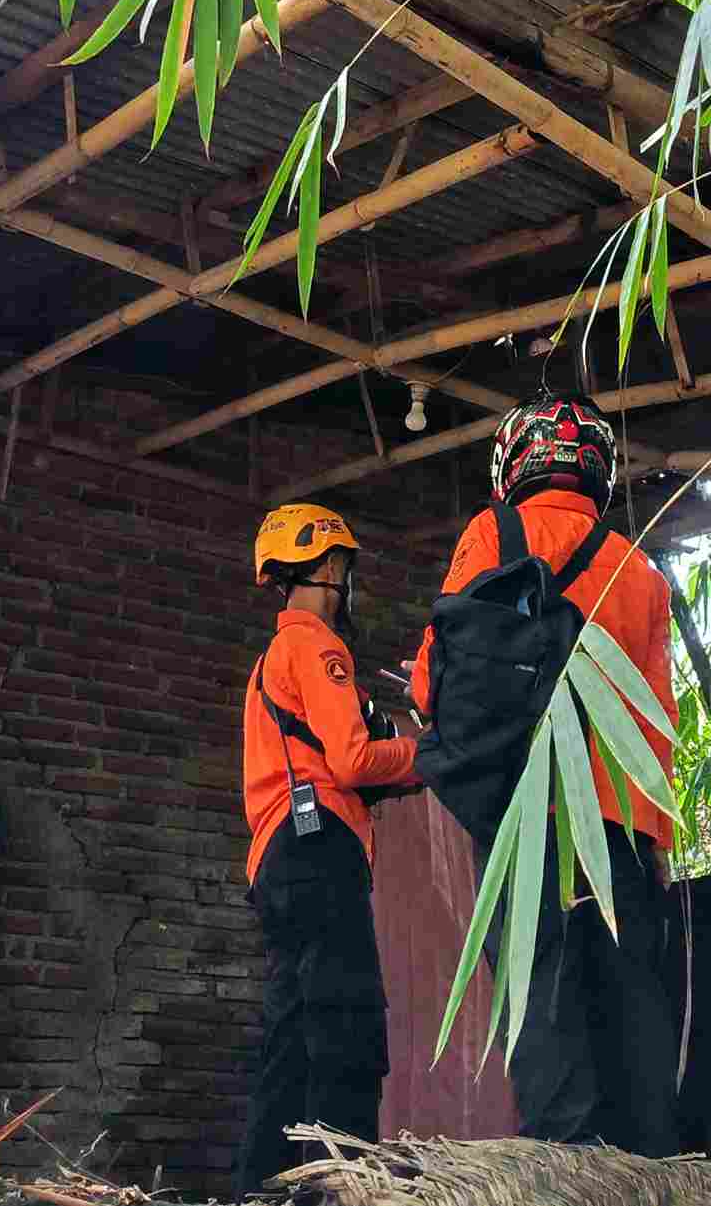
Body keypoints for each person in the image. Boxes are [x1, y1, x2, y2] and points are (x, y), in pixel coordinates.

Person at [409, 395, 680, 1155]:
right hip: (622, 827)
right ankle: (650, 1178)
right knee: (629, 1014)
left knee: (543, 1011)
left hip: (529, 815)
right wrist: (655, 837)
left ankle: (562, 1176)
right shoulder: (640, 569)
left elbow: (441, 675)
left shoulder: (493, 534)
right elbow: (658, 721)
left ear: (514, 461)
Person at [234, 504, 420, 1196]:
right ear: (334, 567)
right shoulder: (317, 644)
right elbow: (349, 758)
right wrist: (422, 752)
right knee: (346, 1023)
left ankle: (261, 1189)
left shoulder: (271, 659)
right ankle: (347, 1190)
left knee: (291, 1036)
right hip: (319, 855)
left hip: (279, 860)